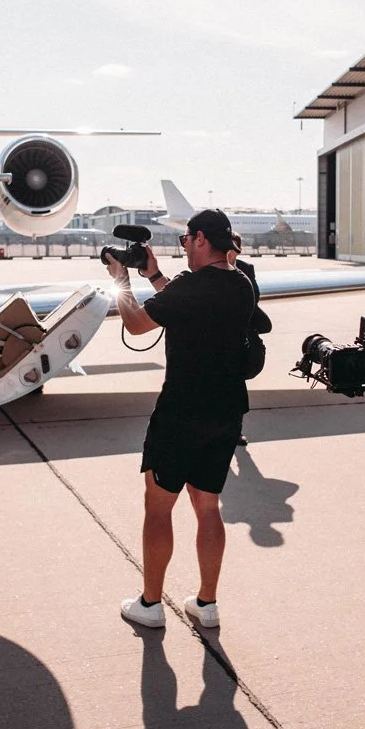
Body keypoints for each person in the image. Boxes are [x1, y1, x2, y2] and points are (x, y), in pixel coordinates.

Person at [104, 208, 255, 631]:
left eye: (187, 239)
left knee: (158, 507)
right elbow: (188, 303)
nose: (184, 245)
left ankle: (151, 604)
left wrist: (120, 279)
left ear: (202, 239)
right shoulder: (241, 283)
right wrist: (154, 277)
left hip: (181, 412)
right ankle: (206, 604)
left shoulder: (191, 286)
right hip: (225, 412)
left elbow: (136, 325)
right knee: (208, 506)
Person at [226, 232, 273, 447]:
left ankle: (235, 431)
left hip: (241, 337)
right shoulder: (206, 268)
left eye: (235, 247)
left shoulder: (245, 268)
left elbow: (254, 295)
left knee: (236, 385)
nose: (231, 251)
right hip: (217, 337)